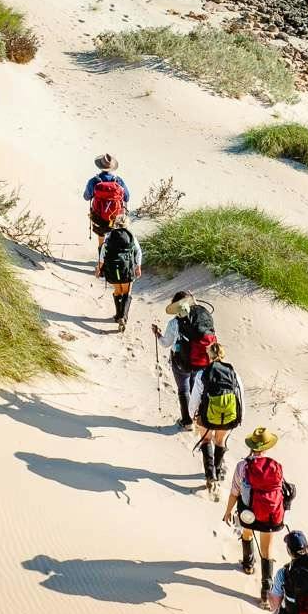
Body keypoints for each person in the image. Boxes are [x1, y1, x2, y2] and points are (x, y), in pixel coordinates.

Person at [221, 427, 291, 604]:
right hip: (270, 515)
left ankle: (248, 565)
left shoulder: (242, 466)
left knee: (247, 533)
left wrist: (228, 511)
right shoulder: (275, 466)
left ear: (251, 446)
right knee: (267, 551)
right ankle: (266, 593)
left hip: (248, 513)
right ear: (266, 447)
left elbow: (234, 492)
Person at [186, 342, 244, 493]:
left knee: (206, 440)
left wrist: (192, 414)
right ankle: (217, 473)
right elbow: (240, 395)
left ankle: (209, 475)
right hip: (228, 415)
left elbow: (195, 397)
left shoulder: (203, 373)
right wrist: (240, 415)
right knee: (220, 441)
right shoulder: (233, 373)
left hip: (207, 414)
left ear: (209, 355)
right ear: (223, 355)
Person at [150, 292, 215, 427]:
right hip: (200, 361)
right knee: (194, 387)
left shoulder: (174, 323)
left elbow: (165, 343)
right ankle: (197, 416)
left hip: (181, 362)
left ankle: (186, 421)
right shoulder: (201, 318)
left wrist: (157, 334)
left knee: (183, 389)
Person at [93, 211, 142, 332]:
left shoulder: (110, 236)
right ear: (126, 224)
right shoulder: (131, 236)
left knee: (117, 291)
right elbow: (138, 252)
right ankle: (123, 317)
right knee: (127, 292)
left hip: (112, 270)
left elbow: (102, 253)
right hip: (126, 270)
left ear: (115, 224)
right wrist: (138, 267)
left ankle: (117, 315)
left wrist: (99, 268)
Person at [83, 155, 130, 258]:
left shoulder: (94, 181)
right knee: (117, 237)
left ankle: (101, 264)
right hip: (116, 216)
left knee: (101, 239)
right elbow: (127, 197)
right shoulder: (118, 181)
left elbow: (86, 197)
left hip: (99, 215)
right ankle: (115, 261)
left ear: (100, 166)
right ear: (112, 167)